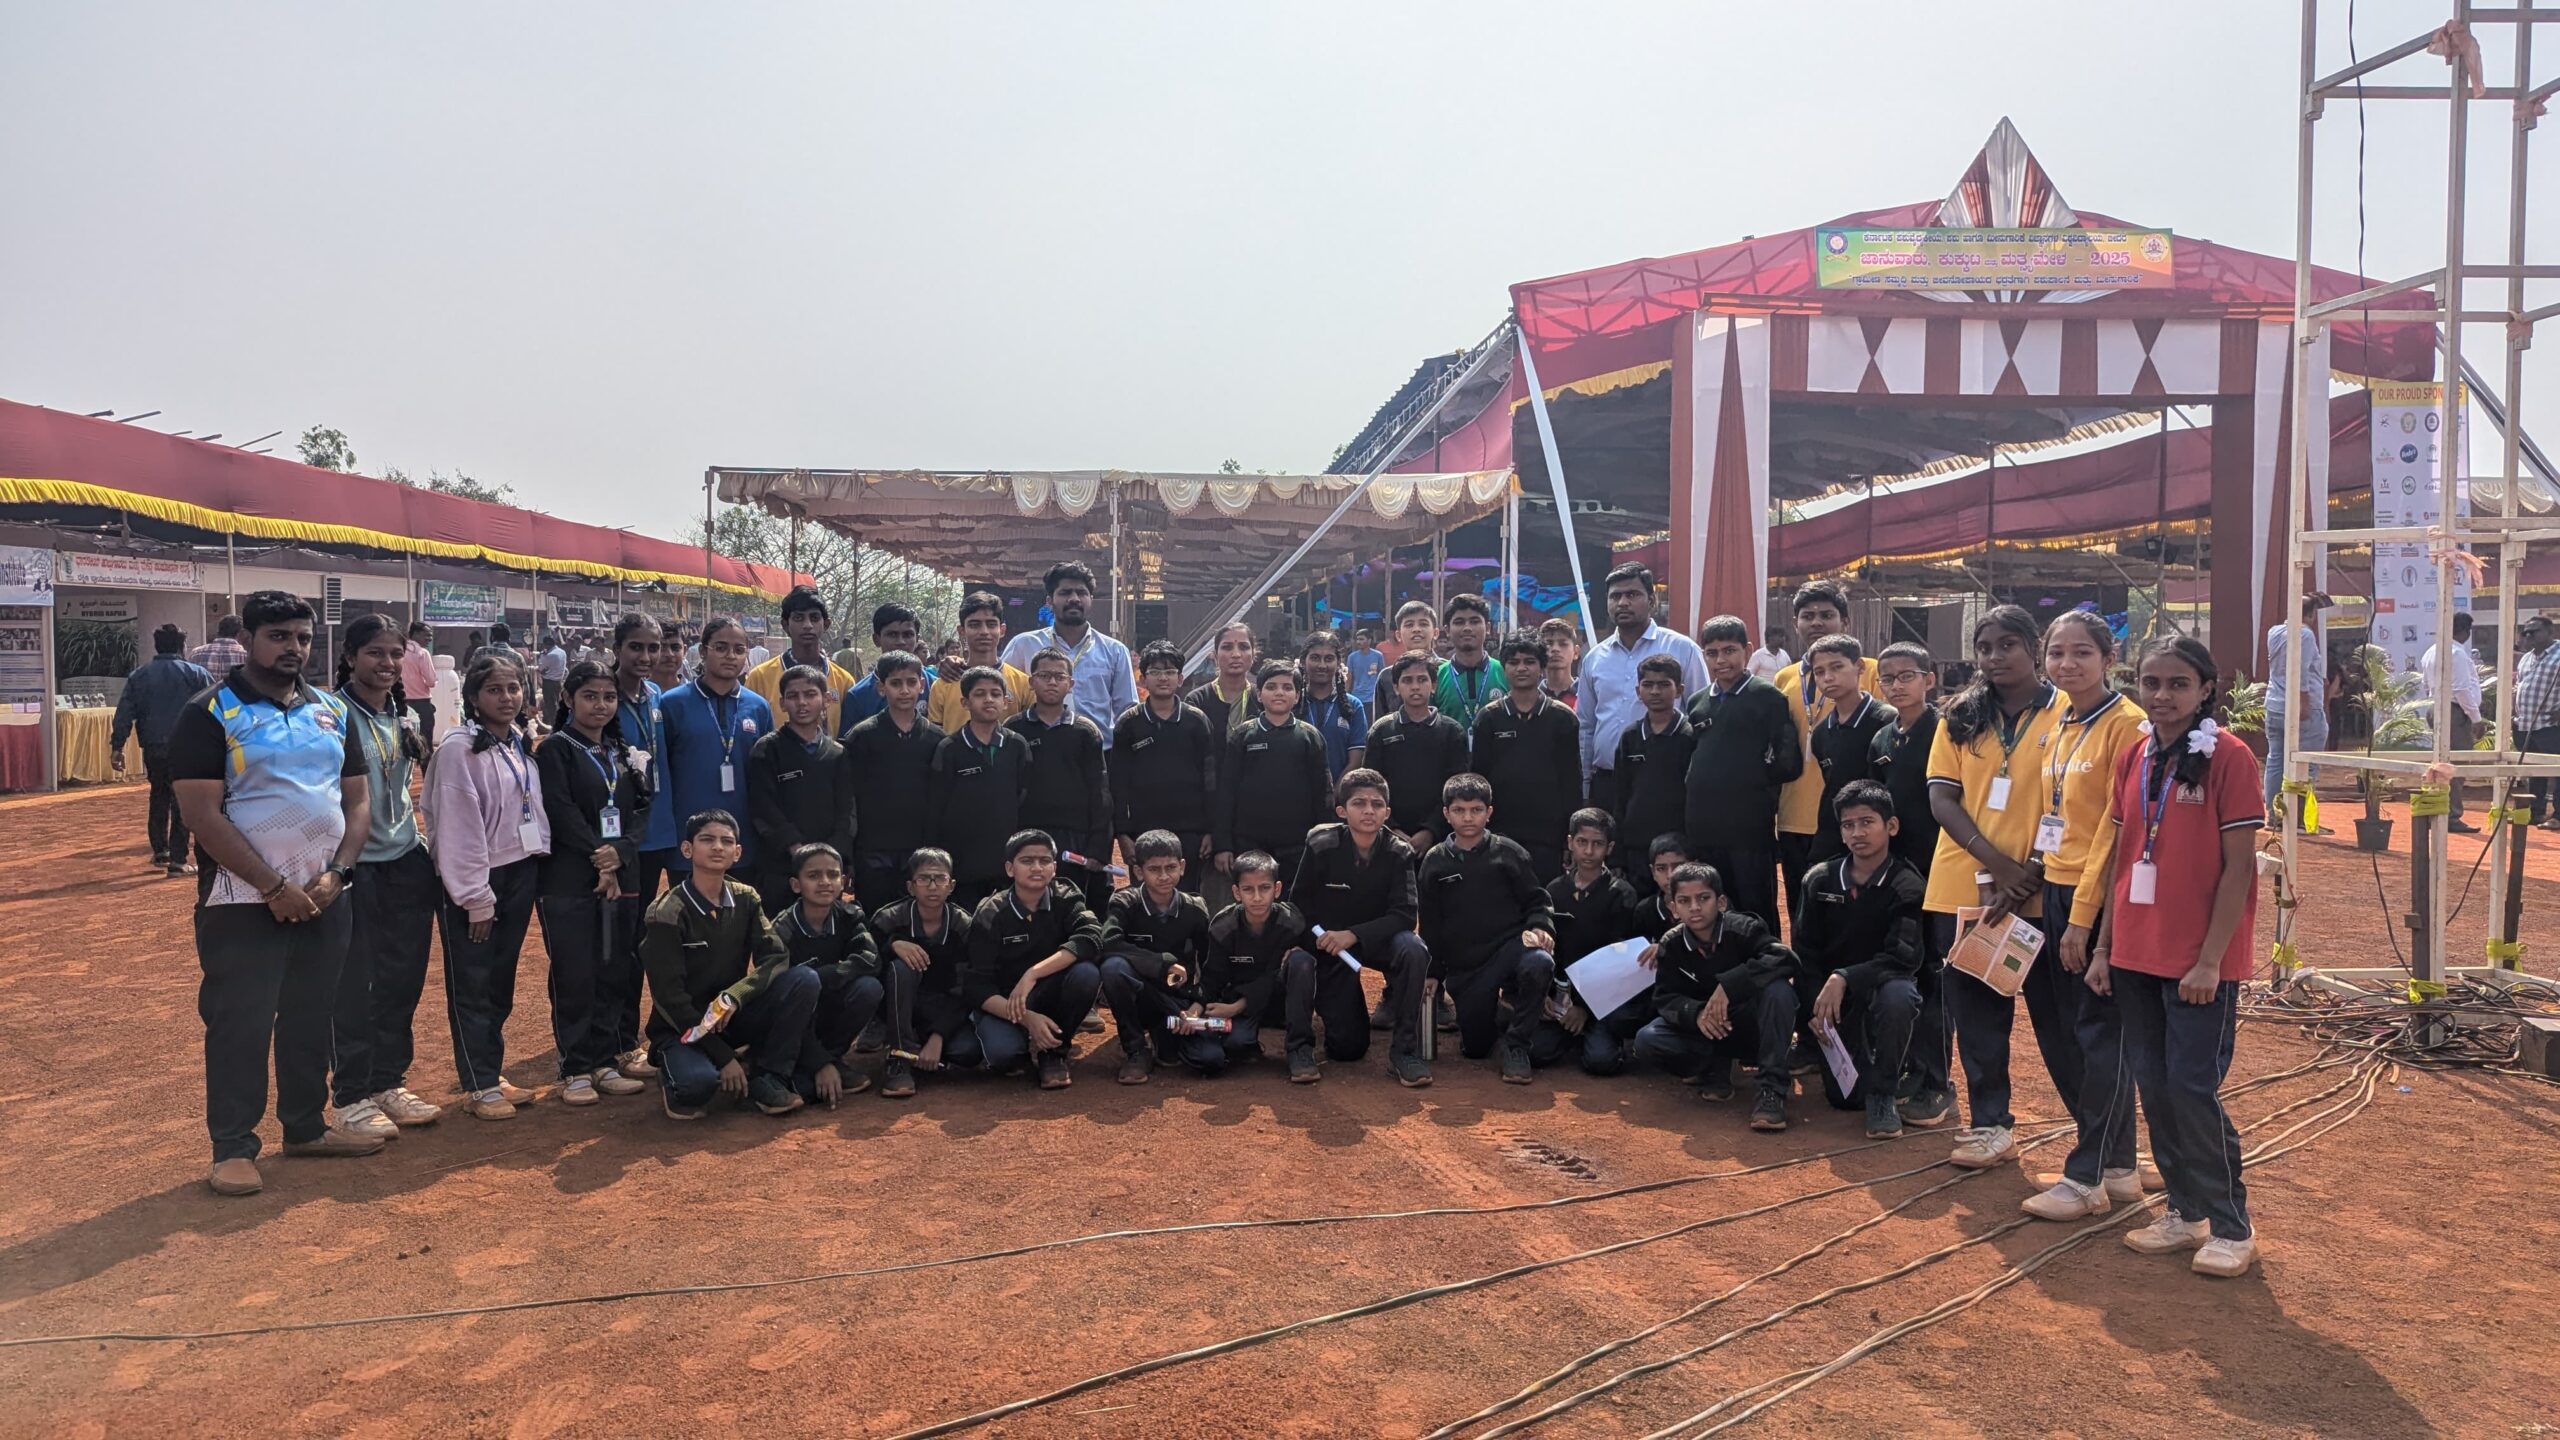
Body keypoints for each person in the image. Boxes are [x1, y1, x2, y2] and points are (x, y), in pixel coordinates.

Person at [169, 590, 380, 1196]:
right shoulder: (210, 712)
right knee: (241, 1021)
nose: (294, 648)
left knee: (312, 1014)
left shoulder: (331, 710)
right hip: (241, 900)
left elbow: (357, 801)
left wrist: (338, 874)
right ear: (248, 640)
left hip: (324, 895)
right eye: (279, 636)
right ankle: (233, 1147)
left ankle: (306, 1127)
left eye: (303, 638)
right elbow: (201, 815)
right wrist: (273, 886)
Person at [2092, 634, 2265, 1278]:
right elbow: (2121, 857)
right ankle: (2184, 1211)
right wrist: (2105, 946)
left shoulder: (2231, 757)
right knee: (2156, 1087)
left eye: (2178, 684)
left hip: (2198, 962)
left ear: (2205, 689)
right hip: (2136, 952)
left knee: (2192, 1089)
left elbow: (2239, 869)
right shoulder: (2135, 754)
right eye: (2151, 683)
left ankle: (2231, 1226)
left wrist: (2211, 961)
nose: (2162, 696)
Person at [2014, 610, 2150, 1219]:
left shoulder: (2128, 725)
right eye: (2057, 653)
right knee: (2063, 1031)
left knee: (2100, 1036)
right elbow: (2056, 815)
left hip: (2095, 900)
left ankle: (2087, 1175)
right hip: (2054, 887)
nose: (2067, 664)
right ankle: (2117, 1166)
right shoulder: (2063, 720)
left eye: (2082, 653)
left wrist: (2083, 919)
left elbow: (2116, 833)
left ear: (2109, 659)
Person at [1923, 605, 2065, 1169]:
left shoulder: (2067, 714)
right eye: (1984, 647)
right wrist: (1999, 866)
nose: (1995, 656)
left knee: (2059, 1021)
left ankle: (2103, 1143)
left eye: (2008, 644)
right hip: (1966, 889)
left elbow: (2071, 804)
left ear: (2034, 647)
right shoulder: (1960, 716)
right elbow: (1942, 799)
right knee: (1978, 1016)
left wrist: (2029, 870)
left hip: (2046, 889)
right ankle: (1991, 1126)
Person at [327, 614, 444, 1139]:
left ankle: (388, 1081)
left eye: (396, 654)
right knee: (355, 984)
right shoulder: (331, 715)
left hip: (406, 861)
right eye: (375, 652)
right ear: (350, 656)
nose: (388, 663)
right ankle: (351, 1094)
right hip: (355, 866)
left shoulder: (402, 716)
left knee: (403, 979)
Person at [426, 653, 552, 1121]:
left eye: (514, 688)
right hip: (477, 881)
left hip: (519, 870)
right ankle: (478, 1083)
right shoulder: (459, 750)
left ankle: (490, 1072)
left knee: (500, 981)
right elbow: (458, 827)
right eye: (494, 690)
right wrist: (475, 896)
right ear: (474, 698)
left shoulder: (515, 741)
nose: (507, 698)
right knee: (473, 981)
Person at [641, 810, 816, 1119]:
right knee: (696, 1087)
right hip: (683, 1026)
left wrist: (735, 996)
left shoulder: (746, 898)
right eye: (707, 840)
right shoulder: (666, 912)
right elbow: (670, 998)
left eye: (726, 841)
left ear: (738, 853)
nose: (717, 847)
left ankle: (769, 1077)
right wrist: (723, 1057)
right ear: (687, 849)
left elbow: (776, 957)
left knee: (804, 979)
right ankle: (674, 1073)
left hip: (730, 1018)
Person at [535, 659, 650, 1108]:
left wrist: (620, 853)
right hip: (570, 877)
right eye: (589, 696)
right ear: (567, 699)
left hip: (621, 874)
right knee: (575, 972)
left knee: (614, 967)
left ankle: (604, 1060)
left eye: (608, 697)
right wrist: (599, 856)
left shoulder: (622, 751)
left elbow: (642, 809)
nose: (600, 705)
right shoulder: (555, 750)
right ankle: (575, 1068)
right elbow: (559, 809)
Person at [1792, 780, 1926, 1137]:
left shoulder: (1907, 884)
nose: (1857, 833)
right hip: (1832, 1001)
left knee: (1899, 995)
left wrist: (1845, 976)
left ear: (1891, 826)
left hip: (1881, 988)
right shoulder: (1819, 880)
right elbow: (1804, 953)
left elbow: (1904, 958)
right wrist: (1814, 1008)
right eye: (1848, 825)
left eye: (1867, 822)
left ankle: (1885, 1093)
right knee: (1846, 1099)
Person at [1285, 769, 1434, 1086]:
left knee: (1414, 949)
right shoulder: (1320, 845)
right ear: (1341, 811)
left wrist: (1353, 934)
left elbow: (1405, 915)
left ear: (1387, 812)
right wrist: (1321, 938)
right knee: (1347, 1049)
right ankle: (1313, 1033)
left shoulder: (1399, 852)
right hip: (1333, 950)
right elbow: (1298, 906)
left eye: (1377, 804)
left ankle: (1405, 1052)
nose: (1369, 811)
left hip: (1377, 941)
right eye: (1359, 803)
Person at [1631, 862, 1803, 1130]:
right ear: (1674, 908)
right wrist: (1696, 1013)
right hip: (1707, 1030)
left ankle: (1771, 1088)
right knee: (1648, 1040)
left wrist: (1730, 986)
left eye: (1703, 898)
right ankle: (1712, 1067)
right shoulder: (1671, 944)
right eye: (1684, 901)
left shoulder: (1743, 928)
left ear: (1721, 902)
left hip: (1750, 1026)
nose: (1695, 907)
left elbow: (1786, 958)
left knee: (1779, 990)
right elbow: (1665, 998)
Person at [1417, 772, 1557, 1082]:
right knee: (1476, 1048)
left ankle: (1517, 1045)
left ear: (1489, 812)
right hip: (1467, 966)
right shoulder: (1435, 861)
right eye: (1459, 810)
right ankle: (1502, 1012)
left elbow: (1537, 899)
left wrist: (1541, 926)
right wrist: (1433, 973)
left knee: (1539, 962)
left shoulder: (1509, 852)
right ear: (1446, 814)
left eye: (1476, 810)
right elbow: (1430, 924)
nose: (1468, 818)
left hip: (1509, 948)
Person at [1681, 614, 1802, 933]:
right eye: (1712, 653)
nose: (1721, 660)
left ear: (1748, 651)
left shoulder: (1767, 698)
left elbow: (1788, 760)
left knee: (1754, 905)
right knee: (1710, 903)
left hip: (1749, 826)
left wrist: (1749, 783)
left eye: (1729, 650)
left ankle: (1764, 964)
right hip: (1703, 826)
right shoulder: (1697, 702)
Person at [1771, 583, 1884, 922]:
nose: (1817, 622)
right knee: (1802, 909)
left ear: (1845, 622)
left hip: (1851, 819)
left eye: (1826, 615)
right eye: (1808, 616)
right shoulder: (1784, 677)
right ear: (1796, 624)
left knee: (1854, 913)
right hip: (1794, 814)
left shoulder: (1872, 670)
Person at [962, 830, 1104, 1089]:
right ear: (1010, 868)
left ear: (1054, 868)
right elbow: (977, 987)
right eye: (1027, 861)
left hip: (1048, 991)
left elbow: (1090, 937)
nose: (1037, 868)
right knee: (1003, 1055)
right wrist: (1027, 1018)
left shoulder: (1066, 896)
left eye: (1044, 861)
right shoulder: (990, 912)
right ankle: (1025, 1042)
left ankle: (1054, 1052)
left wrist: (1033, 973)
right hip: (1006, 1001)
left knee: (1086, 974)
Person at [1528, 809, 1646, 1075]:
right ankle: (1570, 1033)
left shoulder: (1622, 894)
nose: (1589, 851)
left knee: (1601, 1062)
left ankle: (1596, 1032)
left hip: (1602, 999)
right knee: (1535, 1050)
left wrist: (1585, 1007)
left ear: (1610, 848)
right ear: (1570, 843)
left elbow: (1622, 963)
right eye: (1582, 842)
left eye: (1598, 844)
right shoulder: (1554, 890)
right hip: (1561, 995)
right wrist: (1546, 996)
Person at [659, 617, 774, 887]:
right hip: (688, 835)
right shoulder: (672, 704)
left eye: (738, 649)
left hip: (742, 837)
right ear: (703, 651)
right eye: (721, 648)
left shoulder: (758, 707)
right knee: (689, 909)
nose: (730, 656)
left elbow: (766, 774)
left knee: (741, 908)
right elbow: (662, 774)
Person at [607, 613, 672, 1080]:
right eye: (636, 647)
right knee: (622, 941)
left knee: (648, 938)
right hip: (622, 839)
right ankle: (619, 1040)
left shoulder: (655, 697)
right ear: (617, 649)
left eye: (654, 647)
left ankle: (633, 1035)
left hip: (660, 832)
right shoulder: (602, 695)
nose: (646, 656)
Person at [1579, 566, 1709, 796]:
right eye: (1615, 596)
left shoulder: (1683, 649)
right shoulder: (1594, 658)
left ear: (1651, 601)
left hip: (1664, 781)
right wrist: (1585, 786)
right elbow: (1586, 726)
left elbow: (1700, 716)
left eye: (1632, 594)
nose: (1622, 603)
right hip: (1606, 782)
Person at [1098, 830, 1213, 1084]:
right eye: (1154, 869)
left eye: (1170, 867)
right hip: (1140, 995)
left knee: (1203, 1058)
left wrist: (1198, 1004)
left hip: (1177, 998)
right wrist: (1162, 964)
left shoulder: (1194, 909)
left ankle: (1164, 1034)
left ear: (1182, 867)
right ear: (1139, 872)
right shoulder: (1125, 902)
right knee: (1113, 968)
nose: (1163, 876)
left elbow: (1211, 964)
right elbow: (1108, 943)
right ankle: (1135, 1049)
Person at [775, 843, 887, 1104]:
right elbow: (779, 997)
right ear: (795, 884)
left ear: (843, 881)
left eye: (833, 874)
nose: (825, 882)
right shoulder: (782, 928)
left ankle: (831, 1057)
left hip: (825, 1004)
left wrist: (821, 977)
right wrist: (818, 1062)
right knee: (799, 990)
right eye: (813, 876)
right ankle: (811, 1064)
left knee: (869, 988)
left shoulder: (850, 915)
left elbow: (870, 960)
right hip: (789, 1019)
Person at [1008, 647, 1114, 911]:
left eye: (1059, 676)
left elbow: (1100, 792)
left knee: (1073, 906)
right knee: (1030, 905)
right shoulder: (1013, 730)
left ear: (1071, 684)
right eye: (1044, 676)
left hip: (1076, 837)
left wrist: (1098, 846)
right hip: (1027, 833)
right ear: (1031, 682)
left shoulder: (1086, 731)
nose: (1052, 682)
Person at [745, 665, 857, 913]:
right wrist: (796, 848)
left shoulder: (838, 753)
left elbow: (847, 809)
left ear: (826, 700)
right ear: (782, 703)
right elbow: (763, 807)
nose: (802, 703)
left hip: (828, 868)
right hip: (781, 868)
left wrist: (834, 854)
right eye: (793, 696)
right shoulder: (767, 750)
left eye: (810, 694)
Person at [1111, 640, 1220, 892]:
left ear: (1180, 679)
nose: (1163, 678)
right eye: (1155, 672)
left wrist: (1210, 830)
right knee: (1146, 897)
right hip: (1143, 831)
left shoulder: (1197, 721)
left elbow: (1210, 779)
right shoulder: (1129, 724)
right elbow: (1118, 784)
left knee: (1188, 898)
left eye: (1170, 672)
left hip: (1191, 832)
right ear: (1142, 679)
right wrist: (1123, 834)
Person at [1473, 629, 1580, 880]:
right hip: (1499, 834)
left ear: (1542, 667)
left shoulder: (1563, 718)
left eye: (1529, 661)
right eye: (1514, 662)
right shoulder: (1488, 718)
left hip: (1549, 837)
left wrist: (1570, 837)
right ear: (1504, 667)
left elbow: (1571, 782)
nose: (1521, 668)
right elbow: (1479, 779)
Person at [1189, 851, 1308, 1075]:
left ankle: (1300, 1048)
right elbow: (1213, 976)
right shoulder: (1223, 927)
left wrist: (1236, 1007)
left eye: (1264, 888)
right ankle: (1248, 1042)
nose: (1257, 897)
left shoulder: (1292, 923)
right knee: (1237, 1043)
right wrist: (1197, 1005)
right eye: (1248, 889)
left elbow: (1277, 976)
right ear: (1236, 892)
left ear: (1277, 889)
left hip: (1277, 1000)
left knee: (1302, 961)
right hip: (1239, 1000)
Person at [844, 650, 944, 912]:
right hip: (873, 851)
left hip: (920, 850)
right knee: (875, 918)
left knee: (919, 917)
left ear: (922, 684)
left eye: (911, 682)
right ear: (881, 687)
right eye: (895, 683)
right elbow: (849, 798)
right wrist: (850, 854)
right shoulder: (862, 736)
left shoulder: (936, 739)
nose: (904, 690)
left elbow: (941, 799)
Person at [1215, 658, 1331, 883]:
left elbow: (1323, 794)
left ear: (1297, 696)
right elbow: (1226, 792)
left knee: (1294, 901)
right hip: (1249, 845)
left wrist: (1324, 842)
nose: (1279, 692)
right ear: (1259, 694)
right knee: (1253, 899)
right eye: (1271, 687)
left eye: (1287, 687)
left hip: (1298, 847)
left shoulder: (1310, 737)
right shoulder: (1243, 736)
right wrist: (1223, 845)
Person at [112, 623, 213, 874]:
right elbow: (215, 709)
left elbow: (124, 713)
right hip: (187, 746)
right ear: (181, 646)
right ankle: (179, 860)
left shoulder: (139, 675)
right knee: (182, 800)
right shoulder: (197, 674)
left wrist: (117, 746)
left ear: (157, 646)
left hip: (153, 745)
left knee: (158, 795)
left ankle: (160, 851)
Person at [930, 666, 1035, 909]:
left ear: (1006, 701)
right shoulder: (949, 748)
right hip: (962, 863)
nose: (988, 699)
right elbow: (936, 806)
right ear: (965, 702)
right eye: (979, 694)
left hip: (1006, 861)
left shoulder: (1017, 745)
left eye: (995, 694)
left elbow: (1023, 795)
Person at [872, 847, 974, 1097]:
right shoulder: (888, 919)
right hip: (898, 1005)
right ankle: (899, 1056)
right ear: (910, 887)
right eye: (924, 879)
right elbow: (868, 965)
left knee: (968, 1052)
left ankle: (926, 1047)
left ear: (951, 886)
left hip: (942, 1006)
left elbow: (966, 988)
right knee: (902, 967)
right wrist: (892, 945)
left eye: (940, 879)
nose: (932, 886)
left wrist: (939, 1035)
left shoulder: (963, 925)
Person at [1000, 561, 1137, 744]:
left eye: (1081, 593)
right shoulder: (1024, 645)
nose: (1074, 599)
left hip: (1099, 753)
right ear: (1049, 601)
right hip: (1036, 752)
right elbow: (1002, 697)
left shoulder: (1115, 651)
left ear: (1091, 599)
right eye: (1065, 593)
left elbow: (1127, 713)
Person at [1366, 652, 1469, 853]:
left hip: (1440, 839)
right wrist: (1391, 827)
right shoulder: (1381, 731)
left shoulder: (1452, 732)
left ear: (1434, 685)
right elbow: (1371, 785)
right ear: (1396, 687)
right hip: (1389, 837)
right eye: (1407, 680)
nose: (1415, 686)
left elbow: (1456, 788)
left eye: (1422, 680)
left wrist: (1431, 830)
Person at [1607, 655, 1697, 885]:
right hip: (1637, 846)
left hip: (1679, 848)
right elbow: (1620, 797)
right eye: (1648, 685)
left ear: (1679, 690)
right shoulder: (1630, 737)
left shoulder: (1690, 736)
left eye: (1664, 684)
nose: (1655, 691)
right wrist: (1618, 856)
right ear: (1638, 691)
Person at [1804, 634, 1890, 867]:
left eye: (1837, 667)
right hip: (1833, 837)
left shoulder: (1887, 721)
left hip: (1877, 841)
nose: (1828, 678)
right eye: (1819, 672)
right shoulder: (1821, 733)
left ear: (1859, 666)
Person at [746, 585, 863, 737]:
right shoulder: (760, 677)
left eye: (814, 618)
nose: (807, 625)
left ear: (826, 625)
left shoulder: (844, 680)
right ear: (785, 625)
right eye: (798, 618)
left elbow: (848, 738)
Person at [1869, 642, 1942, 871]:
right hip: (1897, 853)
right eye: (1888, 679)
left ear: (1929, 680)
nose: (1897, 686)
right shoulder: (1880, 738)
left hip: (1941, 848)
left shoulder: (1947, 730)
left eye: (1907, 676)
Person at [2261, 590, 2331, 816]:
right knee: (2307, 763)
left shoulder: (2274, 632)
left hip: (2275, 704)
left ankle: (2274, 814)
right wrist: (2303, 703)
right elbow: (2299, 670)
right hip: (2300, 707)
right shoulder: (2306, 635)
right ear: (2310, 615)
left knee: (2275, 760)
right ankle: (2299, 817)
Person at [928, 592, 1035, 731]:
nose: (984, 631)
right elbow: (935, 737)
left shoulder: (1023, 683)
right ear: (962, 631)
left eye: (991, 624)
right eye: (974, 625)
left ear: (1002, 630)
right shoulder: (943, 685)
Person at [2420, 612, 2485, 831]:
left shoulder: (2431, 651)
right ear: (2465, 631)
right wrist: (2476, 718)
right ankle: (2451, 816)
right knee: (2455, 764)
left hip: (2438, 707)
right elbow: (2461, 689)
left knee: (2440, 762)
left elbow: (2426, 684)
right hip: (2454, 711)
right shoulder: (2456, 653)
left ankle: (2438, 811)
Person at [837, 603, 921, 736]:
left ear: (917, 639)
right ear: (876, 639)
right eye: (892, 634)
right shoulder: (858, 695)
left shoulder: (933, 686)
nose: (901, 641)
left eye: (907, 634)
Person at [1296, 629, 1368, 780]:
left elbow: (1356, 761)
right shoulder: (1293, 703)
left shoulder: (1353, 706)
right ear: (1303, 661)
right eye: (1315, 658)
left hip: (1340, 791)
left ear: (1338, 663)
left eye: (1329, 659)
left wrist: (1336, 790)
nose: (1322, 665)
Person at [2516, 615, 2560, 827]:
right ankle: (2535, 813)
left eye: (2534, 632)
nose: (2529, 636)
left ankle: (2558, 816)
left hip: (2550, 726)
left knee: (2557, 771)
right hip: (2526, 725)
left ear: (2551, 632)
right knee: (2535, 771)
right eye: (2526, 632)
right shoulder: (2527, 658)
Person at [1434, 594, 1505, 724]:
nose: (1467, 628)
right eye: (1459, 622)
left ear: (1488, 628)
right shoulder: (1436, 677)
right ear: (1447, 630)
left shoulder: (1505, 673)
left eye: (1474, 621)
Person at [1186, 620, 1260, 735]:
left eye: (1243, 647)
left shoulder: (1262, 699)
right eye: (1227, 647)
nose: (1236, 654)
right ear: (1215, 656)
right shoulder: (1197, 700)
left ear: (1253, 655)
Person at [1369, 601, 1440, 719]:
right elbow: (1379, 723)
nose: (1416, 629)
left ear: (1435, 633)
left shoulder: (1447, 671)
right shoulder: (1387, 676)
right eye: (1409, 625)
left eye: (1423, 624)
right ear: (1398, 635)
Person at [400, 621, 440, 743]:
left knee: (404, 738)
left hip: (400, 700)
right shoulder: (422, 653)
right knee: (424, 739)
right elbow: (431, 681)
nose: (430, 639)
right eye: (426, 635)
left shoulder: (399, 650)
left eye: (431, 635)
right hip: (421, 703)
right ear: (415, 634)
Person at [189, 613, 248, 686]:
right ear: (240, 634)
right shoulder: (246, 655)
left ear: (219, 631)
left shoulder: (196, 653)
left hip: (205, 693)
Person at [1539, 617, 1583, 706]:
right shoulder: (1532, 697)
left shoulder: (1587, 694)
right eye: (1548, 644)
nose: (1555, 649)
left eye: (1563, 644)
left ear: (1576, 652)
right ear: (1539, 651)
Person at [1345, 628, 1385, 702]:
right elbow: (1349, 678)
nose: (1358, 642)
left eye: (1361, 639)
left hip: (1373, 696)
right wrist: (1345, 695)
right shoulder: (1352, 657)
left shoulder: (1378, 656)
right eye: (1357, 639)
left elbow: (1381, 675)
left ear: (1369, 641)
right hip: (1357, 696)